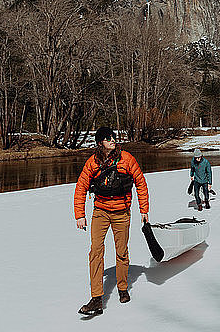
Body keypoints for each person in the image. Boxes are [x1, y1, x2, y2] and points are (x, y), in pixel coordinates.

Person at [74, 126, 149, 316]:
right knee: (96, 251)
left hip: (122, 213)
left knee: (122, 251)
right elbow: (81, 187)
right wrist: (80, 214)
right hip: (100, 212)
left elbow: (140, 182)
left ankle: (123, 288)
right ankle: (96, 298)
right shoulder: (93, 162)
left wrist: (144, 210)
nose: (112, 140)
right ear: (100, 143)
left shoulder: (126, 159)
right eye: (108, 138)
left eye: (113, 137)